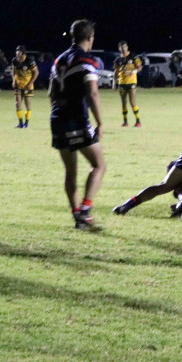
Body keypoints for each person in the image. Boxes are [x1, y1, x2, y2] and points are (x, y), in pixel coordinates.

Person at [49, 19, 107, 230]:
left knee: (70, 171)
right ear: (90, 38)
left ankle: (77, 217)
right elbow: (92, 92)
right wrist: (100, 122)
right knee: (99, 165)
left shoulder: (59, 60)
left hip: (57, 118)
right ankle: (85, 212)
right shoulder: (86, 60)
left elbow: (51, 93)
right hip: (77, 119)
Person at [113, 41, 143, 127]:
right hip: (122, 83)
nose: (123, 48)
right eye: (122, 47)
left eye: (125, 46)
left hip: (132, 83)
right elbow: (115, 72)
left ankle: (138, 121)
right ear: (119, 49)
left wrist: (133, 72)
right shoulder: (118, 60)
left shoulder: (133, 57)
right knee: (123, 102)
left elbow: (140, 67)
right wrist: (114, 83)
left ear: (127, 47)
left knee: (132, 101)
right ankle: (125, 122)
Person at [10, 45, 39, 128]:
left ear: (22, 53)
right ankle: (20, 123)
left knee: (27, 105)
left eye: (18, 51)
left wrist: (31, 83)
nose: (17, 53)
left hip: (27, 86)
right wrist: (13, 80)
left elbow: (36, 72)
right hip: (18, 85)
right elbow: (13, 71)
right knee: (17, 104)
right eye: (16, 51)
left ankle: (26, 123)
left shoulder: (29, 60)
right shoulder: (14, 60)